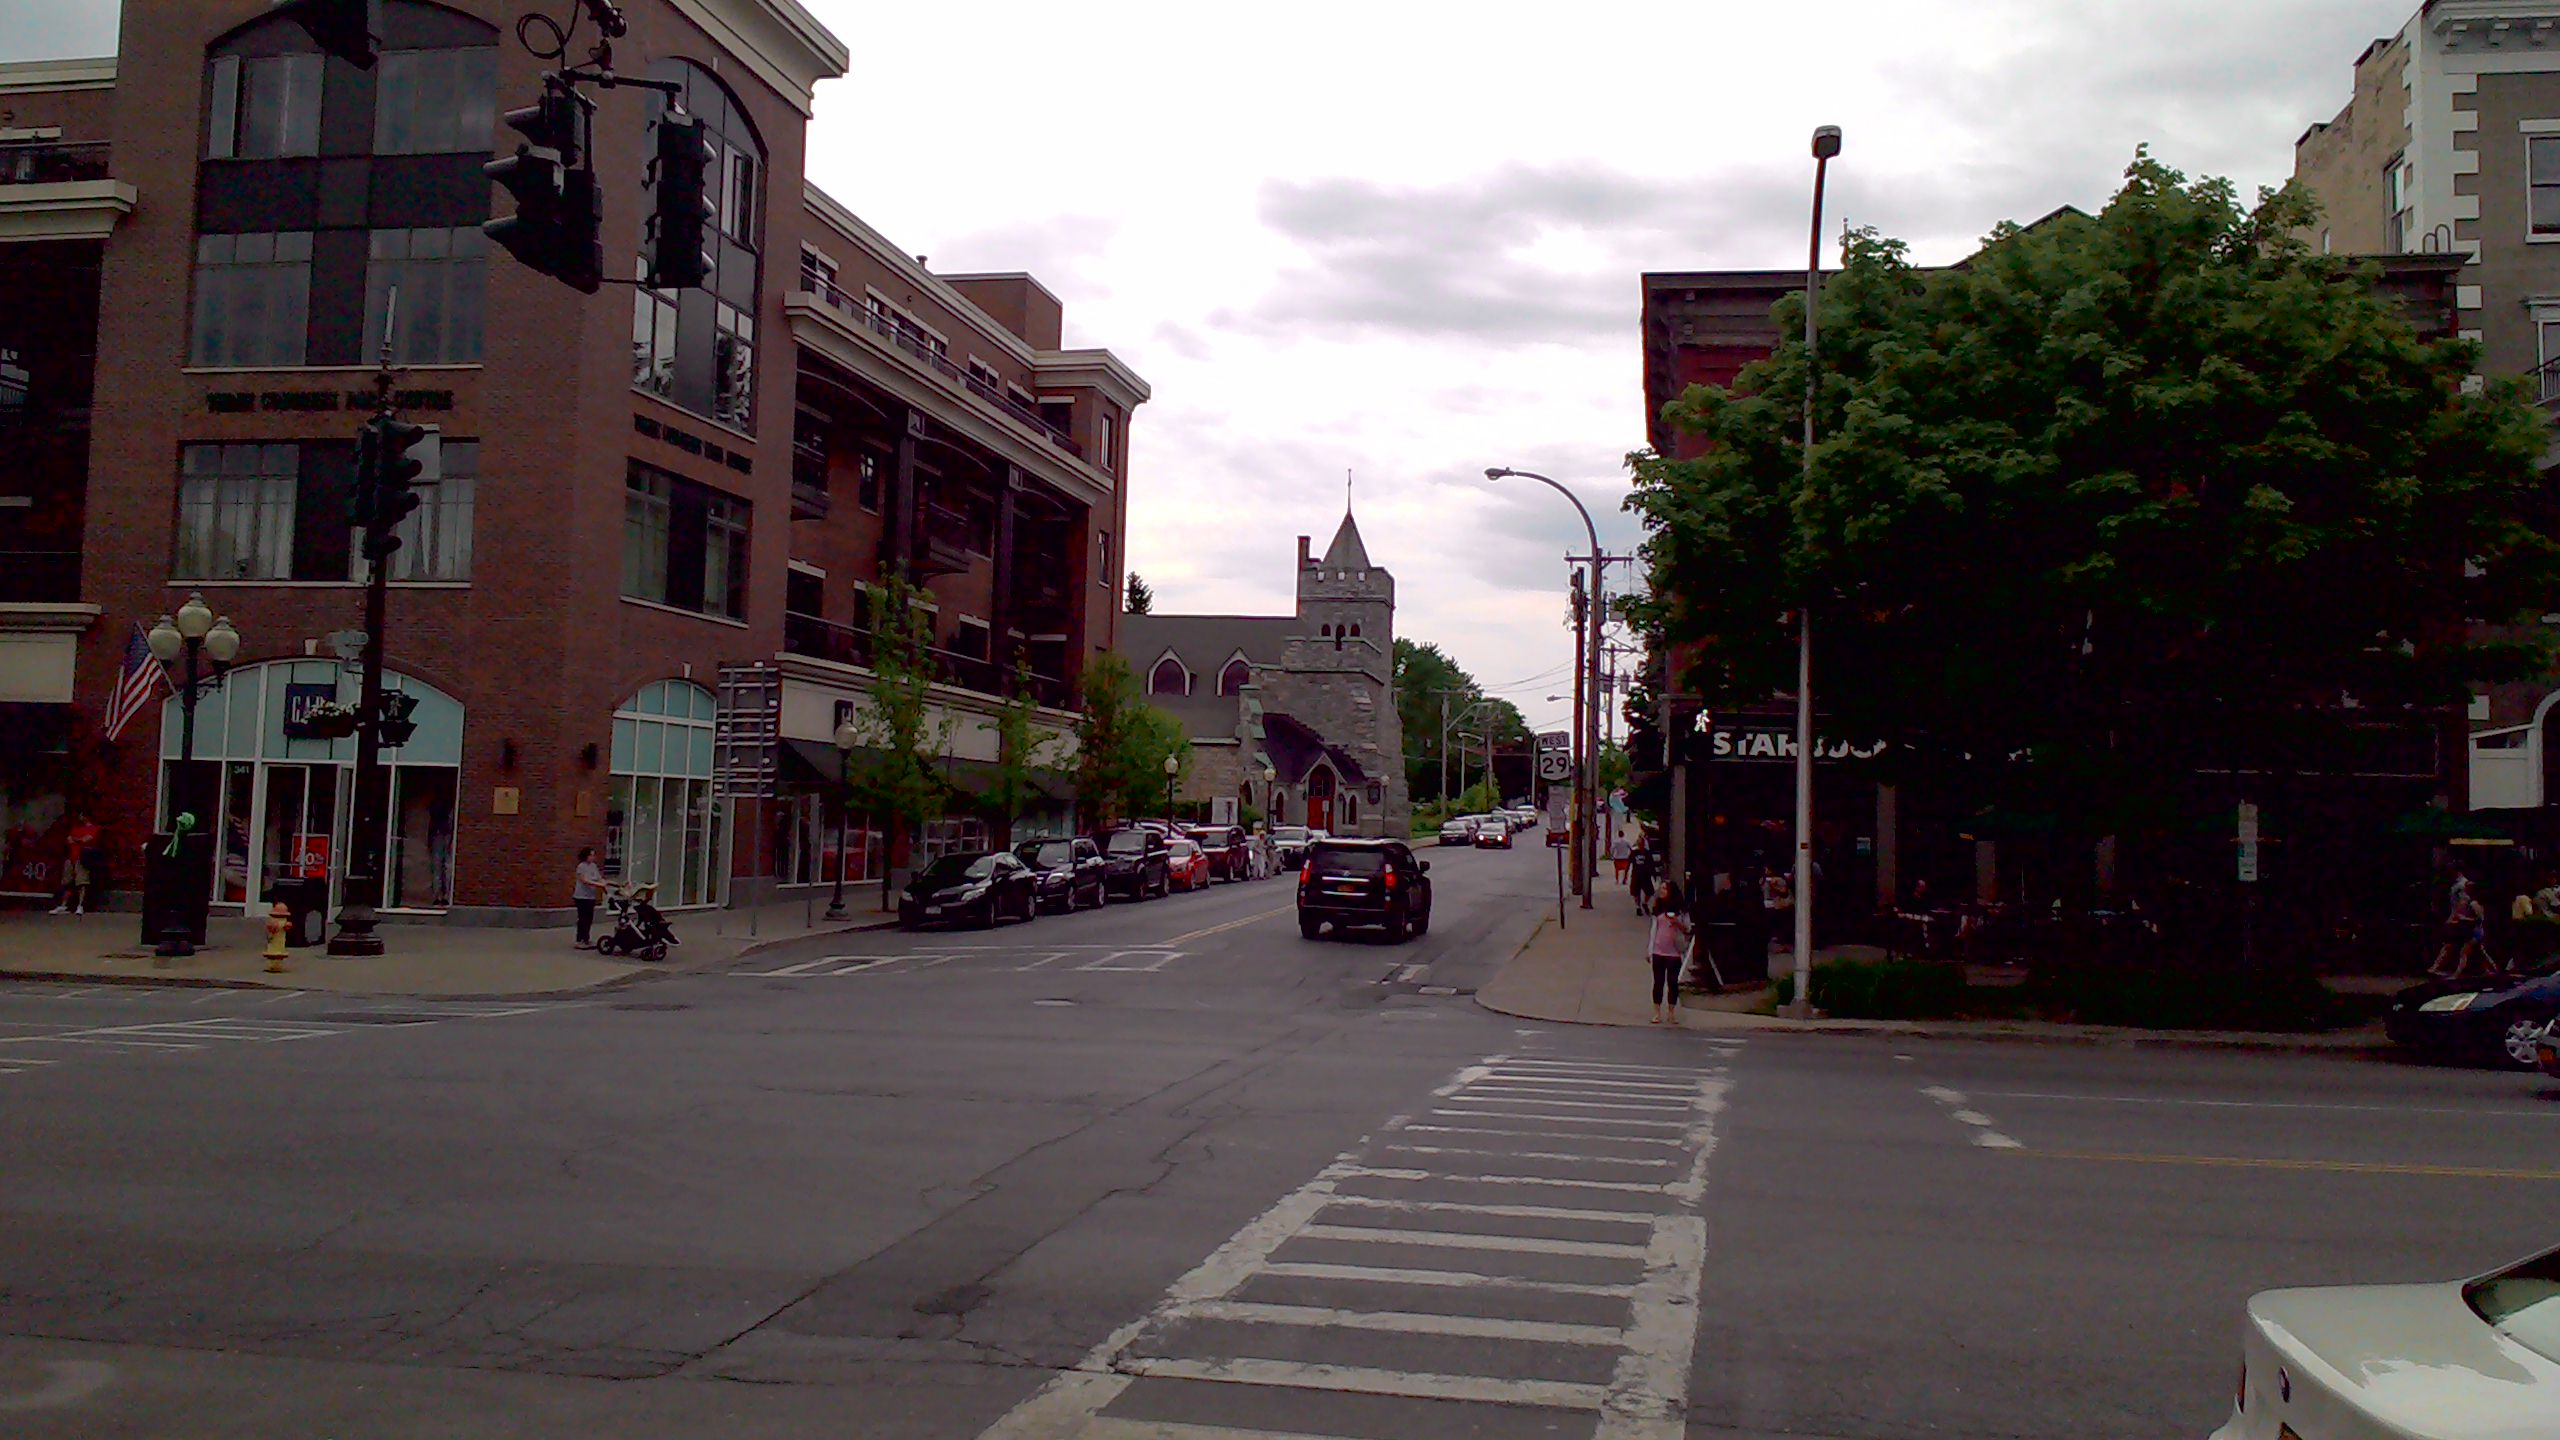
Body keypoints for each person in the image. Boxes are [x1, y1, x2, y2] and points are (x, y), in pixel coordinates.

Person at [1647, 880, 1690, 1024]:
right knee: (1658, 982)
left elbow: (1687, 929)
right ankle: (1657, 1012)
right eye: (1661, 889)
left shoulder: (1681, 911)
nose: (1662, 891)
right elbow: (1653, 930)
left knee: (1672, 982)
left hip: (1674, 952)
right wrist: (1650, 949)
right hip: (1658, 950)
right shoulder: (1658, 908)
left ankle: (1671, 1012)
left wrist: (1677, 922)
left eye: (1664, 889)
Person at [49, 812, 100, 915]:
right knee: (67, 882)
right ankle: (64, 905)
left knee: (82, 882)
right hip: (71, 857)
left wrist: (76, 839)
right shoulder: (75, 828)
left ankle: (80, 905)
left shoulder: (93, 828)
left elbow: (86, 840)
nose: (79, 817)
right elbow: (69, 840)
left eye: (81, 815)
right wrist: (78, 840)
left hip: (82, 858)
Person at [572, 846, 606, 948]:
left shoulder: (593, 866)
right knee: (583, 918)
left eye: (593, 855)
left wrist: (605, 884)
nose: (592, 857)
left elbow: (599, 878)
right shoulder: (581, 866)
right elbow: (584, 880)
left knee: (589, 918)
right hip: (581, 896)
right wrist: (598, 884)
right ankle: (579, 940)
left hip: (591, 896)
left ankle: (586, 939)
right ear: (585, 856)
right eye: (591, 855)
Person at [1630, 841, 1657, 915]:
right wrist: (1625, 875)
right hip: (1636, 875)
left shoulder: (1647, 853)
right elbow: (1629, 863)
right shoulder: (1634, 853)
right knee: (1636, 893)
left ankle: (1644, 903)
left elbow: (1651, 864)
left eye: (1641, 844)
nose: (1640, 845)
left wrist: (1653, 874)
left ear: (1644, 844)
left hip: (1646, 876)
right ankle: (1638, 907)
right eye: (1639, 844)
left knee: (1650, 892)